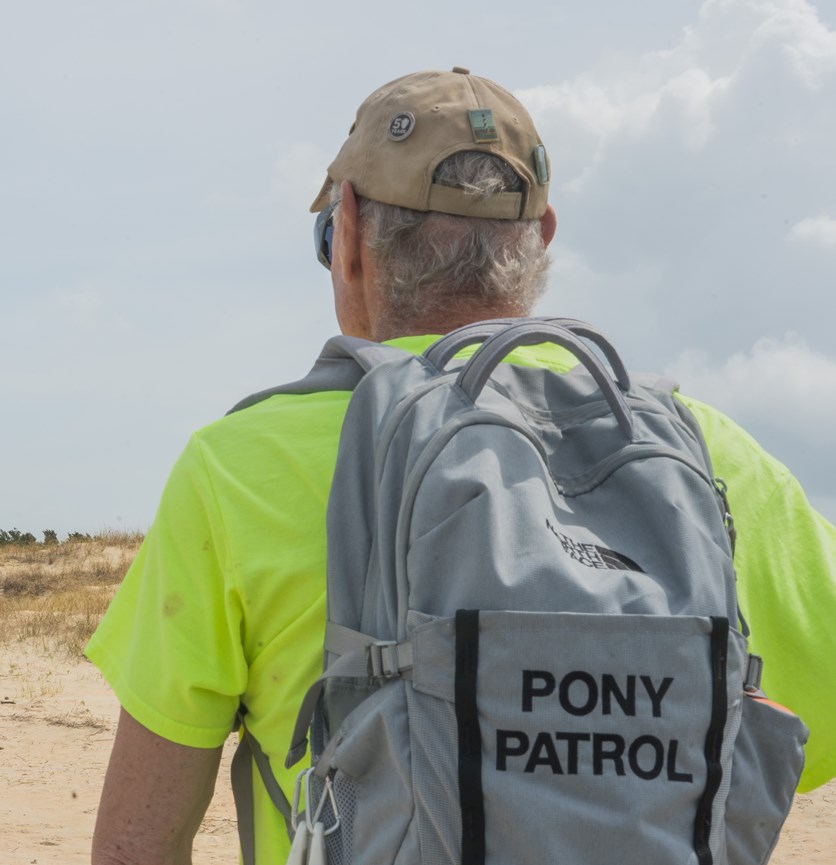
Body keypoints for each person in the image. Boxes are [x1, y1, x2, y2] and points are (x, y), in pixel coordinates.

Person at [85, 67, 836, 865]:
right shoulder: (707, 457)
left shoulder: (235, 469)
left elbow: (139, 840)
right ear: (541, 238)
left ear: (347, 237)